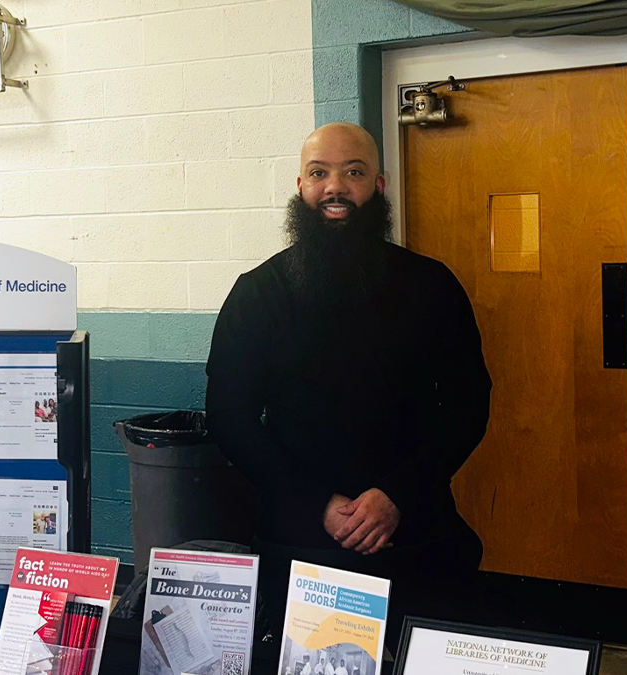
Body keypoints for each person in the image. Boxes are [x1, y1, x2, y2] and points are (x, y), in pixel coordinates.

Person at [205, 123, 492, 644]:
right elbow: (229, 416)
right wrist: (319, 502)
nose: (335, 187)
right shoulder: (257, 295)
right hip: (300, 540)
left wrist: (395, 495)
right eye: (320, 173)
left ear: (378, 186)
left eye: (353, 172)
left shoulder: (431, 286)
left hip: (416, 534)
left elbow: (468, 404)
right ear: (300, 187)